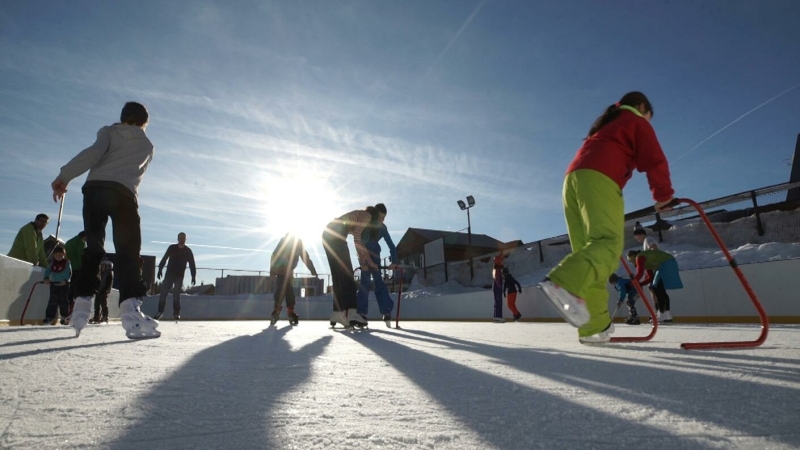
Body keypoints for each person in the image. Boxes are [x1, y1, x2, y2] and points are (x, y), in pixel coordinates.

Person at [537, 91, 676, 345]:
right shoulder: (635, 121)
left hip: (572, 181)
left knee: (590, 256)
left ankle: (594, 327)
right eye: (649, 116)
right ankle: (564, 282)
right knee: (608, 244)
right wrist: (663, 195)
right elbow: (653, 158)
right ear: (642, 107)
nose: (648, 121)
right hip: (600, 177)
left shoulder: (607, 127)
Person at [50, 101, 160, 338]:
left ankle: (82, 303)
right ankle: (130, 309)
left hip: (95, 190)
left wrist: (64, 176)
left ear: (122, 117)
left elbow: (93, 153)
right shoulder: (148, 146)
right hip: (124, 195)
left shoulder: (109, 131)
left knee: (94, 246)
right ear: (145, 122)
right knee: (128, 251)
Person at [323, 204, 385, 328]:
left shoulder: (358, 216)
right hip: (336, 237)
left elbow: (359, 244)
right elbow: (357, 241)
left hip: (327, 235)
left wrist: (366, 261)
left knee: (338, 277)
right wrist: (370, 262)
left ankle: (337, 313)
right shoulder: (367, 216)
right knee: (348, 276)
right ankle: (352, 313)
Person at [357, 209, 398, 327]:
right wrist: (363, 261)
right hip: (364, 253)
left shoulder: (383, 228)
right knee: (365, 282)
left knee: (378, 281)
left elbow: (391, 245)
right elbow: (359, 243)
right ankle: (361, 313)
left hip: (375, 254)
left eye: (383, 218)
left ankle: (386, 311)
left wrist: (394, 262)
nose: (380, 220)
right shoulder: (366, 224)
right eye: (379, 217)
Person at [269, 233, 317, 326]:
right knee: (284, 289)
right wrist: (272, 271)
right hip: (281, 269)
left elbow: (305, 257)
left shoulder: (298, 244)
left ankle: (284, 310)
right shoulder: (285, 242)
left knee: (287, 289)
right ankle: (282, 310)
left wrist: (312, 269)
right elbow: (274, 255)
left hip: (289, 271)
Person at [627, 249, 683, 324]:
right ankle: (667, 314)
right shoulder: (645, 261)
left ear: (633, 257)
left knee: (657, 288)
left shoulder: (639, 257)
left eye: (630, 260)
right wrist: (640, 284)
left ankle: (662, 313)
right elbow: (650, 277)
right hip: (669, 262)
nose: (631, 262)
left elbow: (640, 273)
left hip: (665, 263)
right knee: (660, 289)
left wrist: (631, 284)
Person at [156, 232, 197, 321]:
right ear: (178, 239)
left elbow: (192, 264)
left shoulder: (188, 251)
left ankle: (176, 313)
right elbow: (165, 258)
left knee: (176, 294)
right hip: (169, 274)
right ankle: (160, 311)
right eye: (180, 238)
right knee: (163, 293)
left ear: (185, 239)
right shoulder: (172, 248)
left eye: (183, 238)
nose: (182, 239)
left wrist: (193, 276)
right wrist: (160, 269)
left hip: (179, 275)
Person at [42, 246, 72, 325]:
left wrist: (65, 280)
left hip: (64, 285)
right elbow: (48, 270)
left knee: (64, 301)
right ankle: (49, 317)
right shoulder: (53, 263)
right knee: (52, 301)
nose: (58, 257)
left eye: (60, 255)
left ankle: (64, 316)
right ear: (54, 256)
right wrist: (46, 278)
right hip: (54, 284)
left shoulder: (67, 263)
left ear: (64, 255)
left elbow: (69, 272)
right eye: (56, 255)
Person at [64, 230, 87, 316]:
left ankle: (66, 310)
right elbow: (81, 255)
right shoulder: (80, 243)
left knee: (69, 289)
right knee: (75, 291)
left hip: (68, 267)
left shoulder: (70, 241)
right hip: (77, 268)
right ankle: (71, 311)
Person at [90, 260, 114, 324]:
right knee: (96, 304)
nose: (102, 267)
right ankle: (96, 316)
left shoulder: (109, 274)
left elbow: (108, 284)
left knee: (103, 304)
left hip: (104, 291)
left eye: (104, 266)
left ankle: (105, 316)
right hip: (99, 291)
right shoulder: (101, 273)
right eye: (102, 266)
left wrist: (104, 290)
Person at [492, 254, 505, 323]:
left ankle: (496, 317)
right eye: (501, 260)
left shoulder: (496, 268)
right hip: (497, 287)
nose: (502, 261)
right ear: (498, 261)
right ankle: (498, 317)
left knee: (497, 303)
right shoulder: (497, 269)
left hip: (496, 286)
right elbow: (496, 279)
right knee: (499, 302)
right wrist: (500, 287)